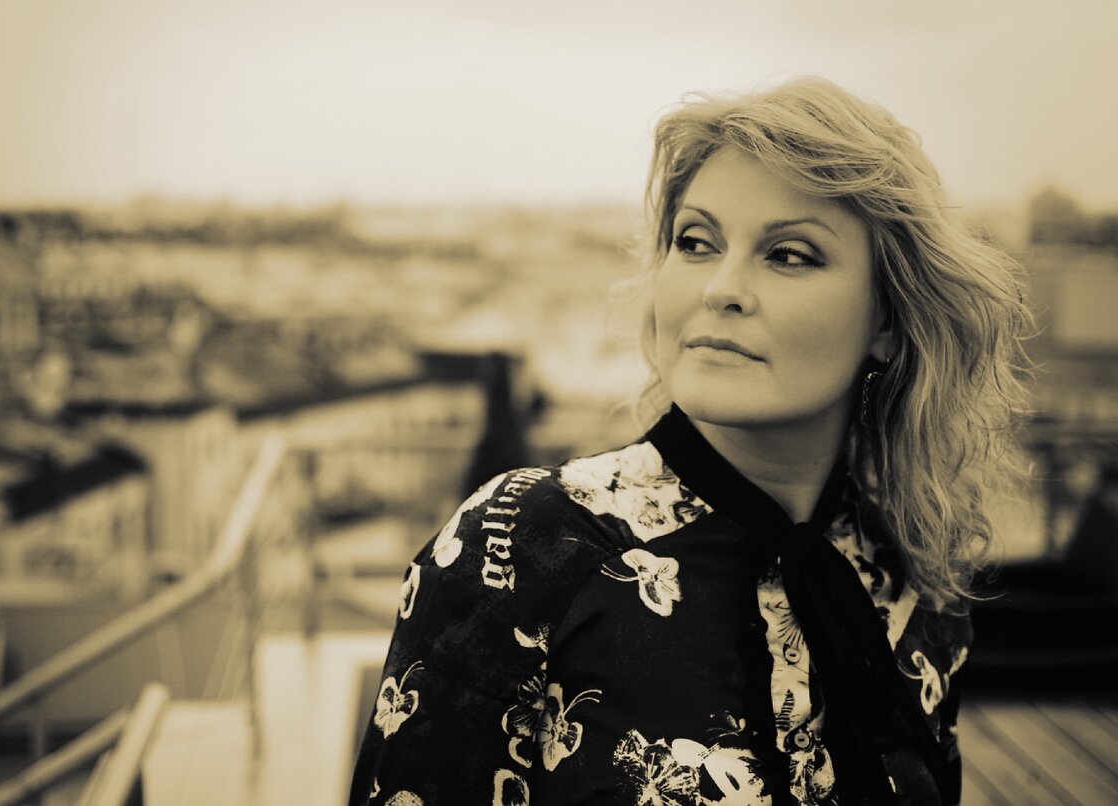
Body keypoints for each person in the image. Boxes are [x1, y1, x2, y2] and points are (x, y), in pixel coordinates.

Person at [349, 77, 1031, 805]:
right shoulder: (524, 545)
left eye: (789, 254)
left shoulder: (914, 577)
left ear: (888, 321)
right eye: (695, 242)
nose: (720, 288)